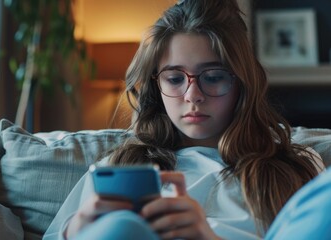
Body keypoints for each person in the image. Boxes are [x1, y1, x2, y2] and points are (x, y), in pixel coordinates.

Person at [43, 0, 324, 239]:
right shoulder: (121, 168)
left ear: (242, 83)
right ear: (156, 85)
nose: (193, 95)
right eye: (175, 78)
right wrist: (74, 230)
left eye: (213, 77)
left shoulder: (293, 168)